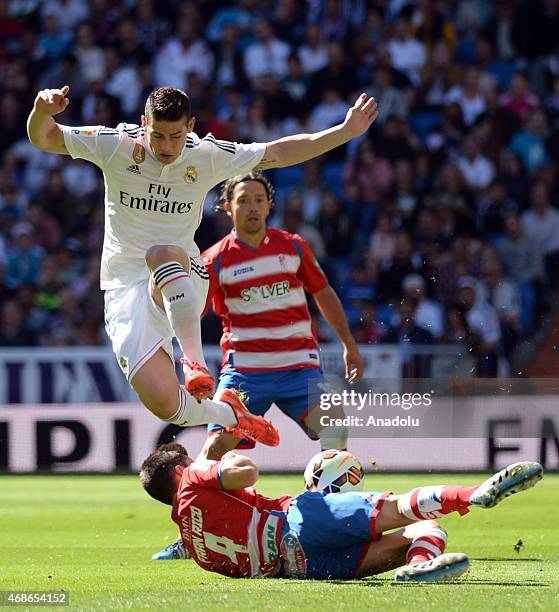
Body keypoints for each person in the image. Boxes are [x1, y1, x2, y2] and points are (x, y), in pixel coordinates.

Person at [26, 84, 378, 442]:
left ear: (190, 126)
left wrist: (345, 132)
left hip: (182, 275)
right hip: (123, 288)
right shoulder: (115, 144)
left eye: (176, 136)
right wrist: (41, 111)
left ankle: (193, 361)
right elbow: (46, 138)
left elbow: (278, 152)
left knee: (162, 252)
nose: (166, 146)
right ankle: (229, 412)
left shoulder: (207, 154)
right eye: (158, 135)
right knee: (165, 404)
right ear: (142, 123)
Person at [140, 442, 543, 582]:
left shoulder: (193, 542)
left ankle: (419, 568)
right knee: (401, 509)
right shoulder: (194, 475)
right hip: (297, 522)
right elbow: (245, 472)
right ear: (180, 470)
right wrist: (231, 454)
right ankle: (474, 494)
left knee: (417, 535)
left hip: (299, 569)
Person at [202, 172, 364, 458]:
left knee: (334, 427)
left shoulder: (293, 245)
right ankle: (202, 501)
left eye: (259, 200)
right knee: (215, 449)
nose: (252, 207)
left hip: (298, 367)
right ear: (228, 207)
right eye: (243, 201)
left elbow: (323, 293)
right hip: (245, 373)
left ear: (268, 206)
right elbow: (194, 313)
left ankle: (329, 499)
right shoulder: (214, 259)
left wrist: (348, 345)